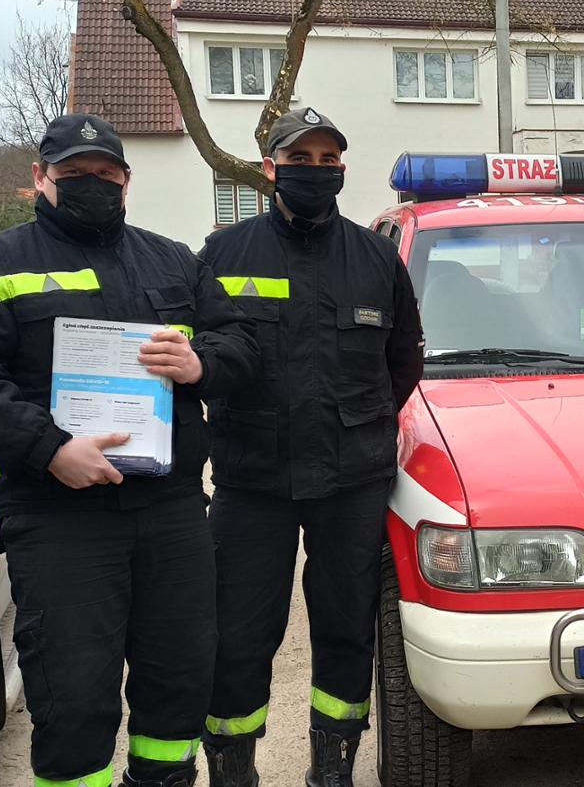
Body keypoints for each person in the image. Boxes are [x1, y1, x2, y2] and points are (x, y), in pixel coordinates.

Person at [0, 113, 259, 787]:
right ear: (40, 177)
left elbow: (241, 342)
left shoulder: (172, 261)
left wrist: (201, 364)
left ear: (126, 181)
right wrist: (49, 449)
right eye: (73, 173)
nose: (91, 184)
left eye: (105, 173)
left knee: (180, 678)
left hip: (170, 511)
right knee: (72, 696)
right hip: (59, 515)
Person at [196, 106, 423, 787]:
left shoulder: (376, 258)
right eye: (300, 160)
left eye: (328, 160)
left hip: (351, 484)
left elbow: (402, 361)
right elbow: (201, 353)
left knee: (347, 629)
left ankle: (333, 768)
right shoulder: (224, 255)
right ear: (271, 168)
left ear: (342, 169)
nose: (316, 171)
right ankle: (234, 768)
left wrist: (360, 424)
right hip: (251, 482)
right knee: (236, 635)